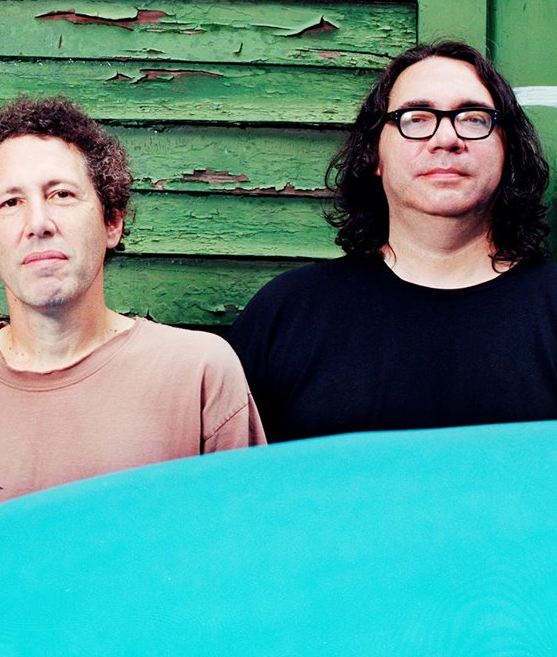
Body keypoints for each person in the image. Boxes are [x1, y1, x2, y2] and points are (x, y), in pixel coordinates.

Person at [0, 97, 264, 532]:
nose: (38, 223)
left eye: (62, 195)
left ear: (112, 222)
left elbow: (244, 549)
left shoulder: (199, 372)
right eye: (11, 202)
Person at [227, 40, 557, 443]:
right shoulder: (289, 312)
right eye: (416, 119)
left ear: (507, 149)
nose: (446, 138)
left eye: (473, 118)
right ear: (374, 155)